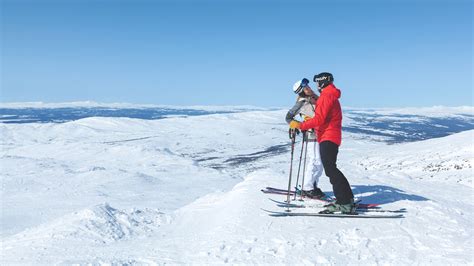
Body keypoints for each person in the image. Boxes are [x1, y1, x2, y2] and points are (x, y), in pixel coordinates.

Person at [293, 72, 355, 214]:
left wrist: (300, 125)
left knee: (331, 170)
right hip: (329, 135)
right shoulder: (328, 95)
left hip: (328, 136)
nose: (315, 85)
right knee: (332, 169)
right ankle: (347, 199)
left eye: (317, 83)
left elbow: (319, 119)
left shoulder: (326, 96)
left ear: (322, 82)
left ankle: (343, 202)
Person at [286, 78, 326, 199]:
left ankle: (313, 186)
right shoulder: (302, 102)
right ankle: (307, 188)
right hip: (311, 134)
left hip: (322, 133)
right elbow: (288, 117)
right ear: (301, 91)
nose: (309, 88)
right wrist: (296, 125)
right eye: (306, 87)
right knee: (315, 160)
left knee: (320, 162)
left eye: (308, 86)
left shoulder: (315, 99)